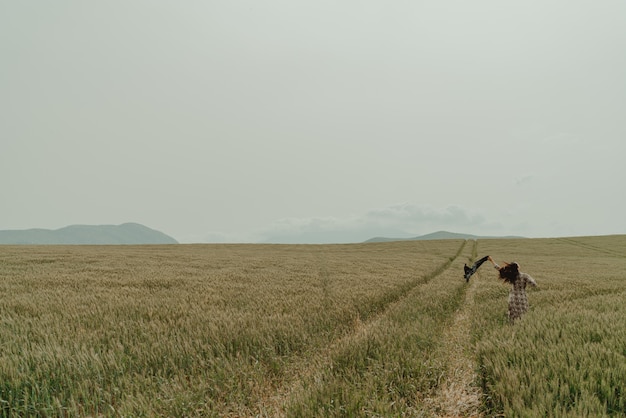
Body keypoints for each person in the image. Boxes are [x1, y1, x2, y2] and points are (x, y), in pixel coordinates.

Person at [488, 256, 537, 323]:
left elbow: (499, 269)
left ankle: (511, 327)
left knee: (512, 314)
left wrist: (491, 261)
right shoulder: (525, 275)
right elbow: (534, 284)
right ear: (518, 268)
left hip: (512, 297)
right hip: (522, 297)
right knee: (522, 313)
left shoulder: (511, 275)